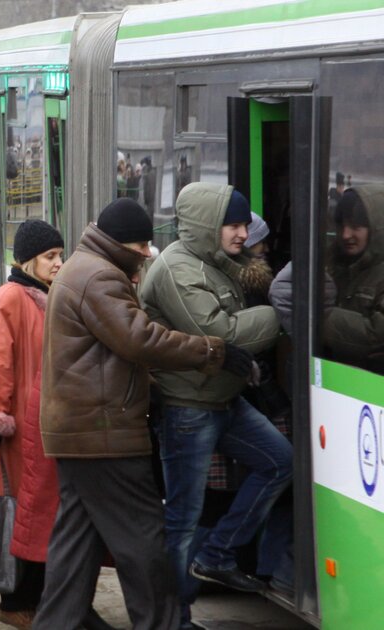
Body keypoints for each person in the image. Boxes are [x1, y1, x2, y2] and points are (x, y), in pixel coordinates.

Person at [34, 199, 233, 630]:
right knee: (144, 540)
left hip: (77, 430)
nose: (146, 252)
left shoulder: (81, 266)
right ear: (120, 243)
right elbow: (138, 339)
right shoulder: (100, 275)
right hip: (104, 431)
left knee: (76, 544)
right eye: (142, 244)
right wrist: (209, 350)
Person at [138, 185, 291, 628]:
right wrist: (278, 312)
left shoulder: (216, 261)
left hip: (222, 397)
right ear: (209, 225)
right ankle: (173, 618)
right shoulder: (177, 268)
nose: (243, 233)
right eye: (234, 224)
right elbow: (220, 333)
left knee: (280, 463)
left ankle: (217, 554)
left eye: (246, 224)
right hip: (188, 407)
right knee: (183, 517)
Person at [0, 220, 113, 630]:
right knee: (27, 519)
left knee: (44, 518)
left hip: (44, 428)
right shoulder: (11, 298)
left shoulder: (44, 296)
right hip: (17, 435)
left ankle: (49, 602)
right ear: (28, 259)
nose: (58, 262)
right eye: (50, 256)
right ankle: (19, 602)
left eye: (59, 255)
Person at [322, 187, 384, 371]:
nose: (346, 235)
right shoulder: (332, 262)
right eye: (342, 225)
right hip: (334, 376)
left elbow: (377, 334)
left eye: (356, 226)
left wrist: (316, 318)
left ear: (376, 229)